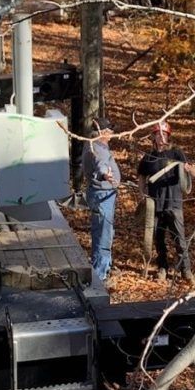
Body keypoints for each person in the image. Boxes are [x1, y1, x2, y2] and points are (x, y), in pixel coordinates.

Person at [137, 119, 195, 283]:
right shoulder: (148, 157)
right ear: (153, 136)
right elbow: (141, 176)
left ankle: (186, 271)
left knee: (179, 239)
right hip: (155, 204)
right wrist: (142, 193)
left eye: (164, 134)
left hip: (174, 203)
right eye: (158, 134)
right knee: (159, 239)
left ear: (168, 136)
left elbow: (194, 172)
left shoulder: (177, 153)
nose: (161, 137)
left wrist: (189, 170)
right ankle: (162, 268)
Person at [81, 117, 121, 283]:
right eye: (109, 131)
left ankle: (105, 268)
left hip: (102, 195)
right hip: (102, 196)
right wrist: (106, 174)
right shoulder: (98, 149)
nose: (112, 134)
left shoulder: (93, 145)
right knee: (103, 235)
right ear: (102, 133)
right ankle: (100, 277)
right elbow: (101, 164)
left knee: (105, 232)